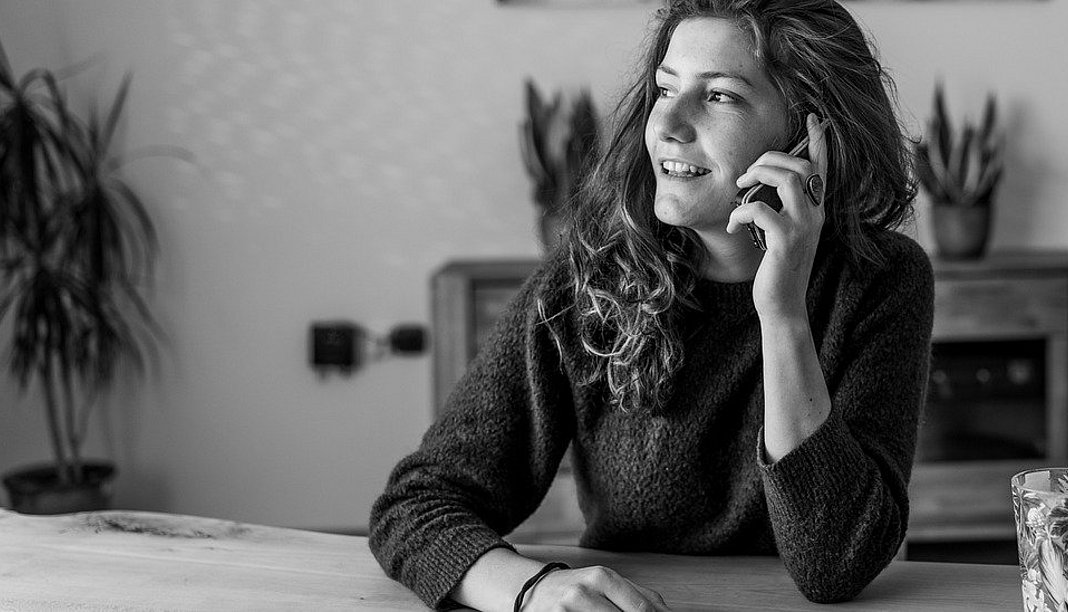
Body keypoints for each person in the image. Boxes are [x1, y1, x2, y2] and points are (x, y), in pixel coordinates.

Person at [369, 0, 933, 609]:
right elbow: (416, 505)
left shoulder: (883, 281)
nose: (668, 123)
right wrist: (532, 591)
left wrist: (783, 312)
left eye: (719, 96)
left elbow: (836, 564)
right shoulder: (584, 281)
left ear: (809, 134)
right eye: (665, 89)